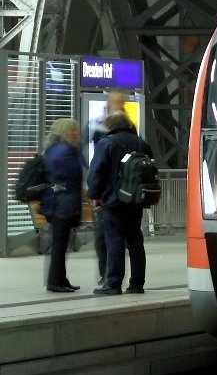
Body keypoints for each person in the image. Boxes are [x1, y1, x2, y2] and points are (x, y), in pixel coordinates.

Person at [88, 111, 154, 295]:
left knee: (115, 239)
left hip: (114, 200)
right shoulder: (142, 143)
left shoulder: (107, 143)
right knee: (135, 239)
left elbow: (97, 172)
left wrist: (95, 195)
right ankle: (137, 283)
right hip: (136, 199)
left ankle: (113, 284)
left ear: (110, 126)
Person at [39, 118, 85, 293]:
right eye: (72, 131)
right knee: (59, 244)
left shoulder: (53, 150)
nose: (75, 134)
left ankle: (60, 279)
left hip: (57, 201)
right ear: (64, 132)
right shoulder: (64, 151)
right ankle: (55, 282)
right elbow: (67, 178)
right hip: (62, 203)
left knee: (61, 242)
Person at [90, 89, 128, 284]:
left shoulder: (126, 126)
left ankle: (112, 277)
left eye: (120, 101)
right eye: (115, 101)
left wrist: (95, 192)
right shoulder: (102, 127)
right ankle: (107, 272)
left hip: (114, 192)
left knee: (114, 236)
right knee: (107, 237)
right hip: (116, 190)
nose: (118, 104)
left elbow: (98, 165)